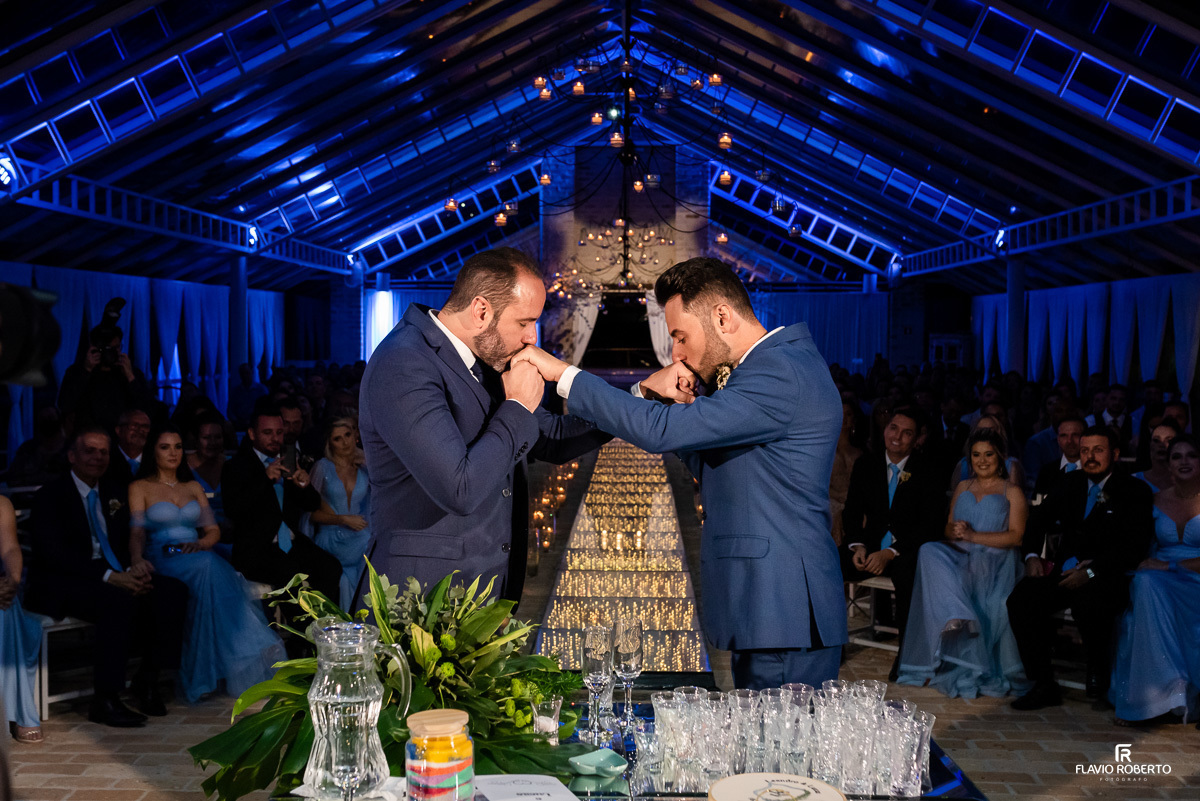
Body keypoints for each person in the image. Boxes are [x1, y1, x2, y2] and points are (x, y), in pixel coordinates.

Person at [513, 257, 846, 689]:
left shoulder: (779, 371)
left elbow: (659, 433)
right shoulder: (768, 370)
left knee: (782, 749)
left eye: (681, 337)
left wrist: (564, 374)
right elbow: (719, 465)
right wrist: (688, 411)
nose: (678, 354)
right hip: (764, 604)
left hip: (782, 607)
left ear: (722, 317)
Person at [359, 247, 610, 601]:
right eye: (524, 322)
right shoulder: (404, 362)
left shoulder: (483, 360)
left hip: (483, 591)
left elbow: (553, 438)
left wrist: (640, 398)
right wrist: (518, 405)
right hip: (421, 598)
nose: (532, 338)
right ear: (481, 311)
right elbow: (459, 489)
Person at [24, 428, 188, 726]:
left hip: (113, 573)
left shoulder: (114, 491)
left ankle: (147, 680)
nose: (97, 457)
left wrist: (134, 567)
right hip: (65, 579)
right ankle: (106, 698)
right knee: (118, 601)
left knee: (172, 591)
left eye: (103, 452)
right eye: (89, 450)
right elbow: (54, 555)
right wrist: (110, 576)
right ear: (72, 455)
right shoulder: (51, 495)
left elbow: (127, 538)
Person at [128, 425, 284, 703]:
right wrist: (137, 559)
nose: (173, 453)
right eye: (165, 447)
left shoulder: (192, 487)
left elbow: (212, 530)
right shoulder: (140, 487)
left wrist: (201, 544)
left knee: (212, 571)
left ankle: (206, 675)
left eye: (178, 447)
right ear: (153, 451)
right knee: (212, 569)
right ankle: (255, 645)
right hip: (165, 553)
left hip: (198, 552)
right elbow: (137, 531)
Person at [1007, 426, 1154, 710]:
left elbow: (1134, 546)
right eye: (1085, 451)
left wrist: (1092, 570)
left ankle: (1098, 674)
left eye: (1098, 450)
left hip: (1107, 573)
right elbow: (1038, 520)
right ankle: (1043, 683)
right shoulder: (1071, 482)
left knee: (1090, 602)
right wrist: (1032, 556)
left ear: (1115, 453)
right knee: (1021, 599)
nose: (1090, 456)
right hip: (1064, 571)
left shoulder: (1133, 490)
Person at [897, 429, 1029, 698]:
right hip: (962, 554)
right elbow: (947, 528)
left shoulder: (1012, 491)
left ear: (1001, 456)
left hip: (996, 562)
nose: (982, 460)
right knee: (929, 550)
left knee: (993, 599)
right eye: (976, 455)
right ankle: (957, 614)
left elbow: (1017, 537)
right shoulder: (963, 487)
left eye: (988, 454)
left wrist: (974, 535)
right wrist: (956, 531)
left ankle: (964, 628)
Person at [841, 407, 945, 680]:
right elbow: (851, 511)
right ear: (885, 430)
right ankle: (833, 643)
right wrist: (857, 546)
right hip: (870, 547)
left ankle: (906, 654)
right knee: (829, 562)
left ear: (917, 439)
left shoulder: (928, 470)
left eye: (907, 432)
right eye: (893, 428)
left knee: (909, 573)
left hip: (907, 551)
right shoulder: (867, 464)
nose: (897, 436)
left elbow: (930, 525)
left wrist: (890, 552)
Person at [1110, 435, 1200, 723]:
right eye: (1177, 456)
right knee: (1145, 582)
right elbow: (1139, 545)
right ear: (1169, 466)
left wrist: (1170, 566)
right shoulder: (1156, 500)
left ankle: (1175, 691)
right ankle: (1158, 695)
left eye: (1191, 455)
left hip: (1194, 579)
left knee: (1151, 582)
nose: (1184, 461)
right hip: (1159, 580)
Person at [222, 404, 342, 610]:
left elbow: (312, 504)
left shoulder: (287, 459)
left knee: (330, 566)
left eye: (279, 432)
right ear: (251, 433)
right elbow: (234, 510)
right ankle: (301, 638)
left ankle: (326, 627)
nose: (275, 438)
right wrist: (265, 478)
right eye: (267, 433)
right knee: (289, 574)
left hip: (291, 543)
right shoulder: (236, 466)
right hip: (258, 548)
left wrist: (304, 485)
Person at [310, 417, 371, 610]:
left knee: (372, 543)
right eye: (337, 438)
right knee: (368, 544)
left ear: (355, 436)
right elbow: (310, 513)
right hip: (331, 538)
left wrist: (368, 463)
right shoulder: (323, 467)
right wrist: (343, 519)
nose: (345, 442)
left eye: (348, 435)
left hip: (358, 535)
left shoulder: (364, 467)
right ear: (330, 443)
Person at [0, 495, 41, 743]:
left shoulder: (1, 504)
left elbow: (10, 548)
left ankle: (9, 712)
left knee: (5, 606)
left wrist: (12, 582)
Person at [950, 415, 1024, 490]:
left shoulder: (1011, 465)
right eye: (981, 430)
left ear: (1000, 434)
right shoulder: (963, 465)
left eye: (990, 431)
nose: (985, 435)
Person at [1030, 414, 1086, 504]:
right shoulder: (1046, 472)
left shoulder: (1095, 470)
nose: (1069, 441)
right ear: (1058, 439)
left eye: (1075, 435)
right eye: (1064, 435)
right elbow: (1036, 506)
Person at [5, 406, 67, 486]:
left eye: (50, 418)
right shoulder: (27, 448)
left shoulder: (69, 450)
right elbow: (13, 479)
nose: (47, 422)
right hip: (28, 496)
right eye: (43, 419)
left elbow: (68, 479)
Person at [828, 400, 862, 546]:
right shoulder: (825, 451)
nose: (844, 418)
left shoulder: (861, 452)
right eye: (841, 413)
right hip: (831, 506)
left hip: (857, 507)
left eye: (848, 414)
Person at [106, 408, 152, 490]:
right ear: (119, 430)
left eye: (145, 426)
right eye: (134, 426)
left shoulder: (155, 461)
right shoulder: (106, 459)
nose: (140, 430)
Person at [1133, 419, 1183, 493]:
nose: (1161, 445)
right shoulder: (1134, 480)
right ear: (1150, 444)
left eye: (1169, 440)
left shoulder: (1187, 481)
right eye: (1156, 440)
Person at [1086, 384, 1132, 453]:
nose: (1117, 402)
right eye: (1113, 398)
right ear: (1106, 399)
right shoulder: (1091, 420)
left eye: (1121, 399)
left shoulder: (1133, 421)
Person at [227, 363, 268, 430]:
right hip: (239, 425)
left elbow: (266, 408)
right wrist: (237, 421)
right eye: (243, 373)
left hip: (258, 424)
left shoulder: (261, 390)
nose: (245, 376)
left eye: (247, 373)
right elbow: (230, 411)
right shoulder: (235, 392)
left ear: (251, 372)